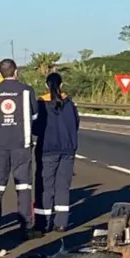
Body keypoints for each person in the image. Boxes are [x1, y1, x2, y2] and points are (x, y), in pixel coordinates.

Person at [0, 59, 42, 240]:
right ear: (15, 72)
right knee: (23, 186)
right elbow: (35, 115)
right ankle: (26, 227)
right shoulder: (26, 90)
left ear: (0, 73)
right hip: (21, 145)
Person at [33, 72, 80, 233]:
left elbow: (36, 128)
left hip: (47, 150)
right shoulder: (69, 103)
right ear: (62, 85)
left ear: (47, 85)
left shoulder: (41, 103)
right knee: (63, 186)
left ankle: (43, 222)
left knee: (45, 187)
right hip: (67, 150)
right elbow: (76, 124)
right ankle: (61, 223)